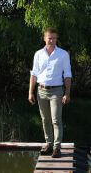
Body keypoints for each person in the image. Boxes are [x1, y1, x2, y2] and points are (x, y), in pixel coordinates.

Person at [28, 27, 72, 158]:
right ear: (44, 38)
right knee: (45, 119)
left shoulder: (63, 54)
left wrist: (67, 93)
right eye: (49, 38)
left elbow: (68, 75)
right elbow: (34, 74)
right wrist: (30, 92)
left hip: (57, 91)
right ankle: (49, 144)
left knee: (56, 120)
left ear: (57, 39)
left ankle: (57, 147)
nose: (52, 40)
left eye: (54, 38)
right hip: (41, 91)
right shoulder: (38, 54)